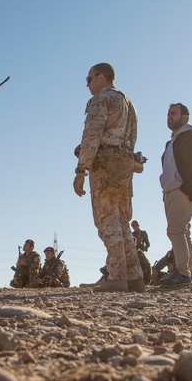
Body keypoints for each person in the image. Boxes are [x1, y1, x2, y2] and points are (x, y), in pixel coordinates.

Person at [72, 63, 143, 292]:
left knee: (107, 221)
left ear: (101, 78)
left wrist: (81, 170)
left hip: (104, 169)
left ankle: (116, 276)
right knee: (122, 222)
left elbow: (92, 135)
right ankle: (134, 277)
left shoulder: (101, 100)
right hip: (124, 168)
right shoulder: (128, 103)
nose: (87, 83)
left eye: (89, 78)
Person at [158, 102, 192, 286]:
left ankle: (183, 274)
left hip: (182, 191)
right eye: (168, 114)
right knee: (183, 232)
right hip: (171, 191)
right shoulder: (171, 141)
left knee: (176, 230)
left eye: (174, 113)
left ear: (185, 117)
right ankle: (189, 274)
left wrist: (186, 189)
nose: (170, 117)